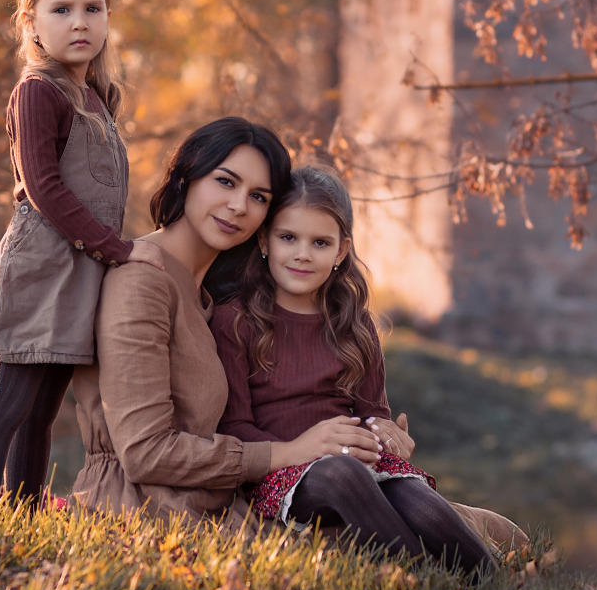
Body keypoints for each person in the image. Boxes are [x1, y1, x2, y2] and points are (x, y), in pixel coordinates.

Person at [68, 118, 387, 519]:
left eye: (258, 196)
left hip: (214, 500)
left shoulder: (211, 292)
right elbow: (144, 453)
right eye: (225, 182)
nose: (238, 206)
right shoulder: (142, 280)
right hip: (144, 508)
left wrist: (380, 436)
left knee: (462, 519)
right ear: (186, 176)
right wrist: (291, 452)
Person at [0, 0, 165, 506]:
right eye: (61, 10)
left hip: (81, 269)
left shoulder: (96, 96)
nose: (80, 22)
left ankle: (22, 512)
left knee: (44, 409)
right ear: (31, 23)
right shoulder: (37, 92)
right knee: (11, 399)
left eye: (92, 9)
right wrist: (115, 247)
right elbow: (45, 188)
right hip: (42, 266)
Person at [212, 166, 494, 573]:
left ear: (341, 251)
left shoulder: (354, 324)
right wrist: (307, 447)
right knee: (341, 471)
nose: (303, 253)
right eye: (288, 237)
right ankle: (419, 579)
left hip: (356, 461)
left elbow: (371, 411)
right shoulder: (235, 321)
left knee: (414, 495)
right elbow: (235, 428)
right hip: (280, 475)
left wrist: (385, 432)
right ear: (264, 240)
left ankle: (492, 582)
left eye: (320, 242)